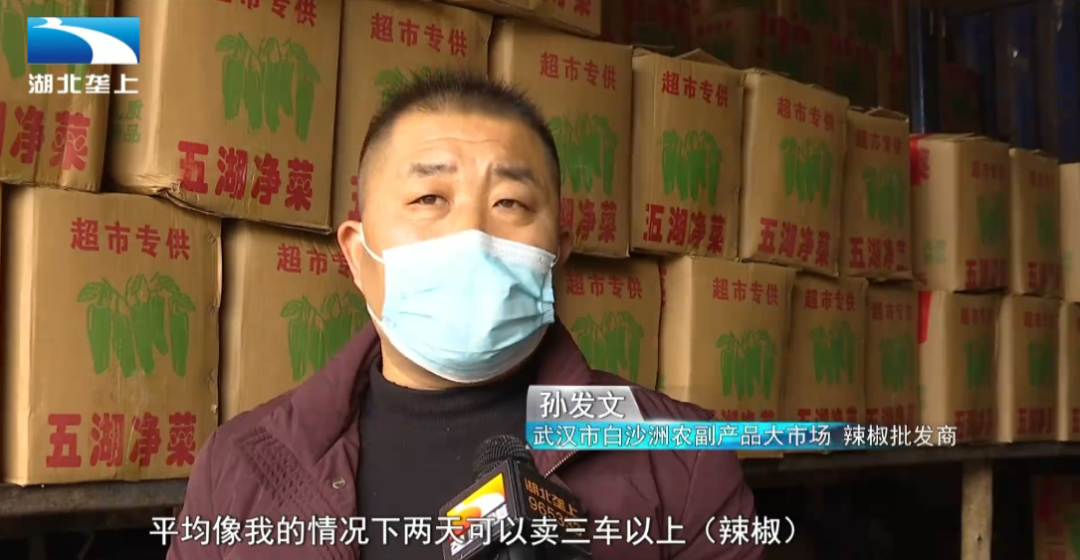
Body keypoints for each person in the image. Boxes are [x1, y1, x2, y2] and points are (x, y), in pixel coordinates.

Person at [168, 72, 763, 560]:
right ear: (357, 255)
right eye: (430, 199)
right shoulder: (240, 467)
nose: (473, 234)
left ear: (557, 255)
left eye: (511, 202)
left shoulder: (681, 461)